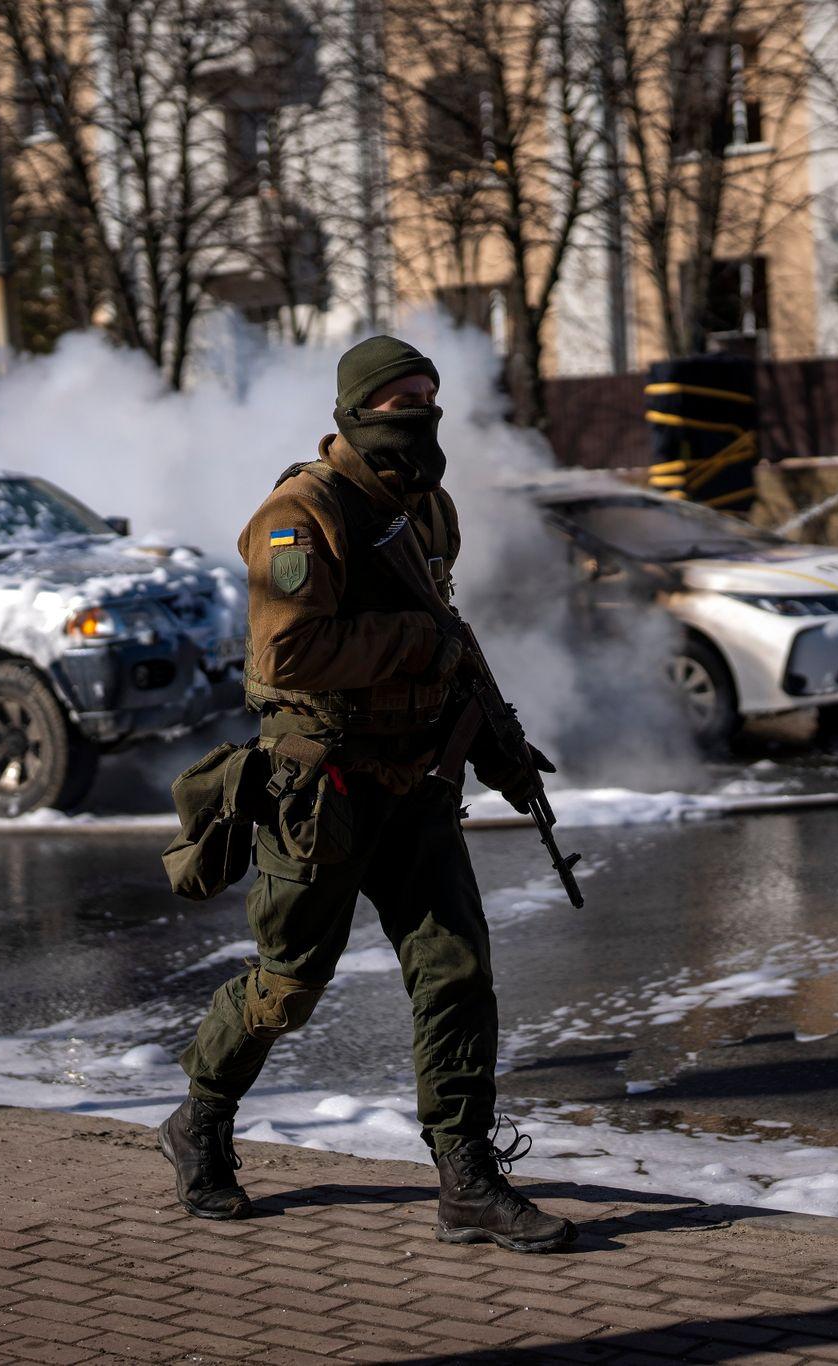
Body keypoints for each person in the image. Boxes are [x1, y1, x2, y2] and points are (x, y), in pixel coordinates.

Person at [161, 336, 574, 1253]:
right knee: (289, 982)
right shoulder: (301, 515)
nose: (420, 410)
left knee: (456, 971)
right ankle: (201, 1119)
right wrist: (413, 647)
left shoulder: (429, 512)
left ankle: (465, 1173)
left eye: (430, 393)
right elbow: (287, 655)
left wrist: (499, 750)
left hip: (418, 781)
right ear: (355, 409)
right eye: (400, 397)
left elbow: (450, 639)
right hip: (326, 786)